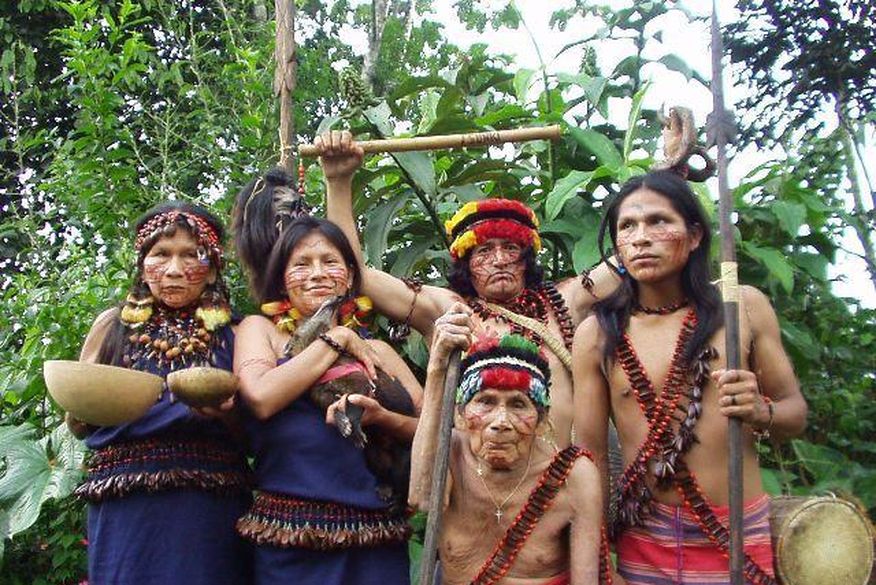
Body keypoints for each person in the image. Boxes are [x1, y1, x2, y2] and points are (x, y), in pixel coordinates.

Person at [572, 171, 808, 585]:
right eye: (628, 226)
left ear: (695, 235)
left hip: (738, 535)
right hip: (644, 541)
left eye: (658, 221)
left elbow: (796, 415)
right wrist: (598, 559)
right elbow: (590, 459)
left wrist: (761, 411)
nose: (641, 238)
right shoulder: (598, 334)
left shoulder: (741, 309)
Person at [317, 130, 620, 448]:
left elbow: (634, 255)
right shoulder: (448, 309)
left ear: (528, 258)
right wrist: (338, 182)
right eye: (484, 251)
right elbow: (356, 275)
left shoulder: (563, 300)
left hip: (563, 472)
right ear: (466, 263)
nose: (499, 260)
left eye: (511, 248)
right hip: (474, 476)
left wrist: (658, 180)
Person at [232, 214, 423, 584]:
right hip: (290, 540)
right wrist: (337, 339)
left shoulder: (379, 350)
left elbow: (434, 431)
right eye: (301, 264)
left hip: (376, 537)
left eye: (330, 262)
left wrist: (384, 418)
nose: (317, 273)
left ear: (349, 277)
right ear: (281, 280)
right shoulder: (261, 331)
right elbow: (261, 397)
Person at [68, 202, 252, 584]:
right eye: (161, 255)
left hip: (207, 508)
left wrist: (227, 414)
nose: (174, 269)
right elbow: (80, 422)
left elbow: (258, 437)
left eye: (192, 255)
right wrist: (81, 409)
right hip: (125, 506)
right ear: (142, 264)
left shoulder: (238, 333)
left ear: (213, 268)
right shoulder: (112, 326)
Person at [412, 306, 611, 585]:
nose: (501, 422)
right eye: (486, 402)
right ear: (460, 415)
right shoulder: (450, 451)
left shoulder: (574, 474)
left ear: (542, 421)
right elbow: (422, 498)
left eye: (518, 404)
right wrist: (436, 372)